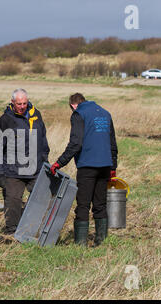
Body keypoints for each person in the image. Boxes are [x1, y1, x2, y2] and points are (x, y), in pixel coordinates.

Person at [50, 93, 118, 247]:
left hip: (87, 166)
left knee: (83, 205)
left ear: (73, 105)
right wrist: (113, 167)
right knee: (100, 204)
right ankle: (101, 242)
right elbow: (112, 143)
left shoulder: (78, 114)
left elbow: (76, 143)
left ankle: (80, 244)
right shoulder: (105, 113)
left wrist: (59, 163)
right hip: (105, 166)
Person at [0, 88, 50, 235]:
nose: (22, 106)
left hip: (35, 168)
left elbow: (43, 139)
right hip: (13, 170)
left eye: (25, 103)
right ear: (12, 102)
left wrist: (45, 160)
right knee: (13, 200)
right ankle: (12, 232)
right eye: (19, 104)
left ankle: (34, 228)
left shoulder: (36, 115)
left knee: (41, 198)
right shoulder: (5, 120)